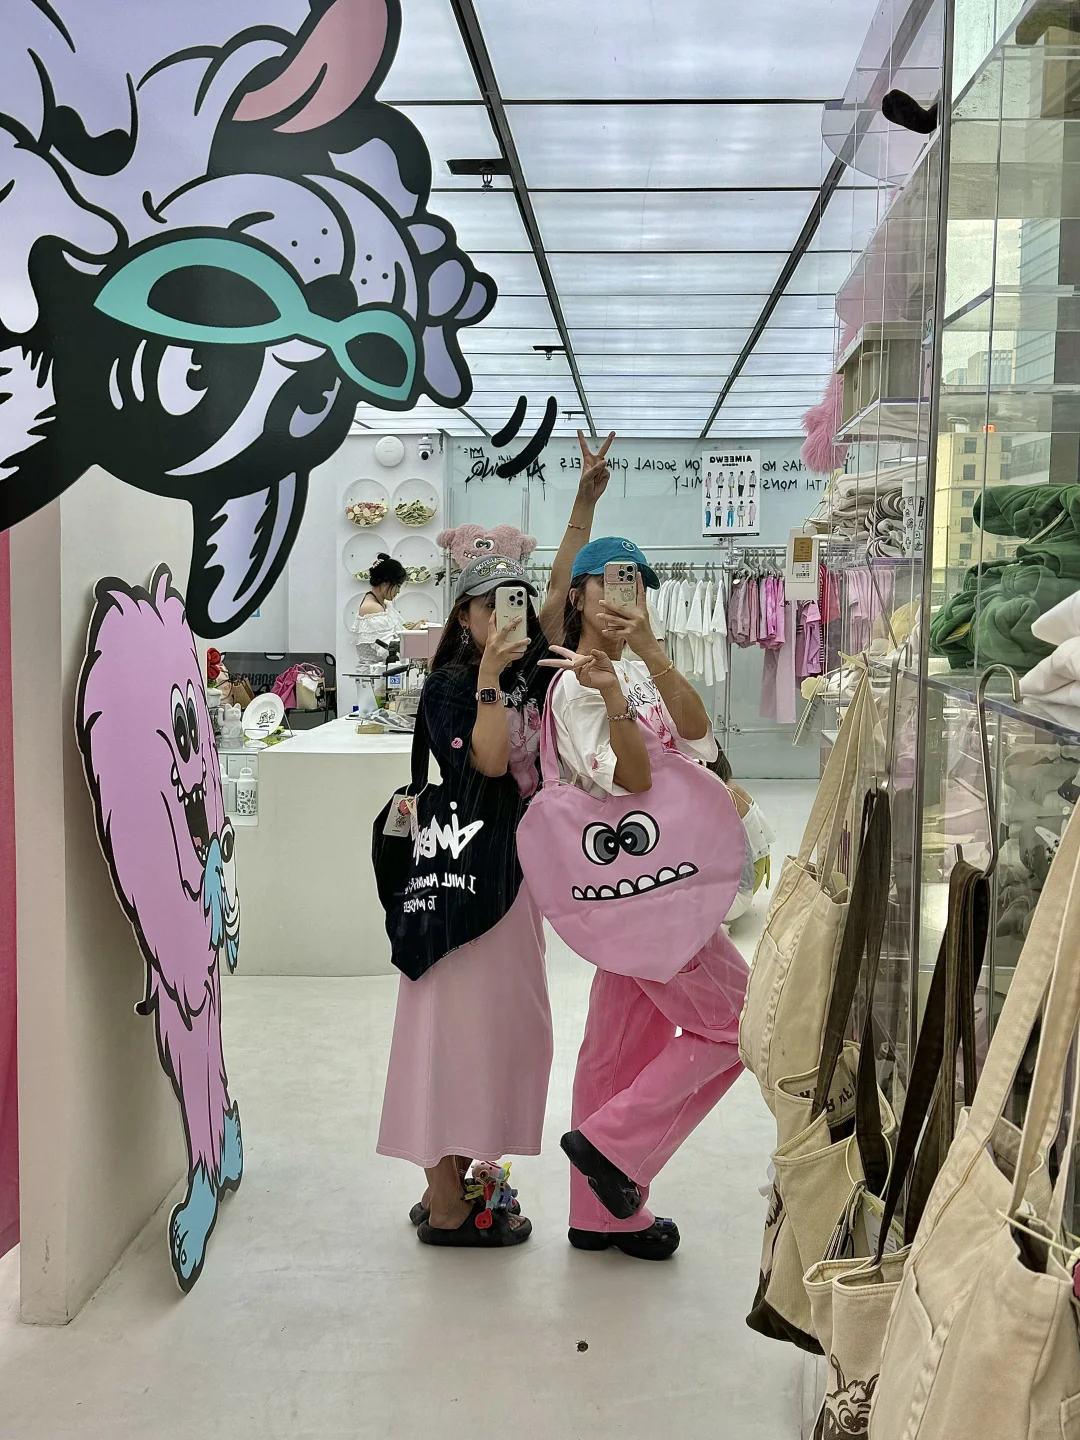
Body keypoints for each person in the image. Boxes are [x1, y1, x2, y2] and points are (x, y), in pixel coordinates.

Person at [377, 433, 616, 1248]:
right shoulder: (453, 684)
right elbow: (484, 762)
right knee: (449, 1030)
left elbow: (560, 583)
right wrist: (487, 679)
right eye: (490, 605)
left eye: (514, 600)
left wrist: (584, 497)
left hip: (509, 881)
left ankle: (457, 1176)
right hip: (461, 882)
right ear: (464, 615)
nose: (509, 613)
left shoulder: (531, 664)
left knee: (500, 1030)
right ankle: (446, 1200)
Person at [542, 538, 749, 1261]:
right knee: (742, 1023)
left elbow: (700, 740)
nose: (622, 598)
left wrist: (653, 653)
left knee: (617, 1044)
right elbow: (630, 781)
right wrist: (609, 695)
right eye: (608, 583)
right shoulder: (576, 685)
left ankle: (598, 1214)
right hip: (649, 887)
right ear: (577, 595)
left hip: (645, 884)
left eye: (636, 586)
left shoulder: (634, 667)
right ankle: (613, 1148)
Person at [351, 554, 410, 666]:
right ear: (385, 583)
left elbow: (396, 634)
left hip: (384, 669)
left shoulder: (383, 604)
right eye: (398, 586)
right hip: (375, 673)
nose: (398, 591)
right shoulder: (372, 608)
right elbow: (388, 650)